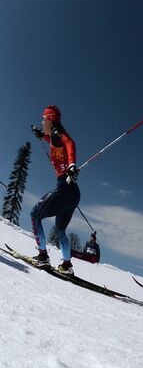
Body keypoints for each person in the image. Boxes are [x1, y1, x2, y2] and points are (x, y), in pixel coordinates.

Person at [29, 105, 80, 274]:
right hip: (73, 193)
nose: (42, 121)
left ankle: (43, 257)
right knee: (60, 230)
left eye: (44, 119)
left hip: (64, 188)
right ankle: (66, 266)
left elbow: (69, 142)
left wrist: (72, 164)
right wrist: (41, 135)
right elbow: (54, 141)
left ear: (50, 119)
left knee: (35, 214)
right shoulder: (54, 136)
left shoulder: (58, 133)